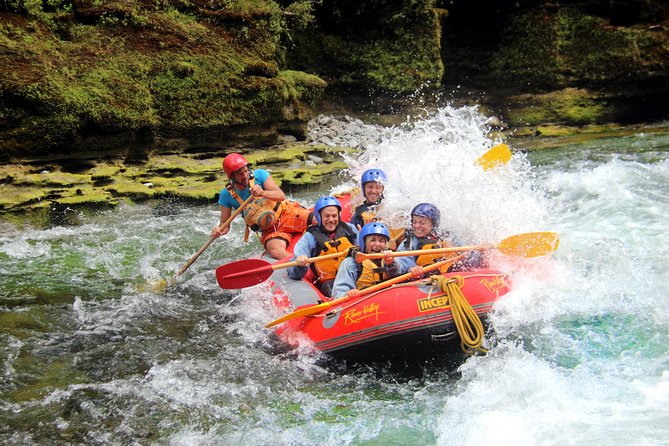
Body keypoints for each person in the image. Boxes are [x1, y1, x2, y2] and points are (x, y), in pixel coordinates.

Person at [211, 153, 315, 260]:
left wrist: (263, 193)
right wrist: (219, 230)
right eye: (240, 174)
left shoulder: (260, 175)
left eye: (246, 171)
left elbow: (280, 195)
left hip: (286, 214)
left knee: (317, 220)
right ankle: (302, 263)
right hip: (269, 229)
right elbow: (225, 223)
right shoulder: (226, 195)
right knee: (275, 251)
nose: (245, 176)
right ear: (232, 177)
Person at [287, 196, 358, 297]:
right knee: (329, 288)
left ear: (339, 215)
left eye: (334, 216)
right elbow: (292, 271)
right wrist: (299, 264)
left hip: (353, 275)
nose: (331, 219)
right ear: (319, 216)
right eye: (327, 216)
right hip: (330, 282)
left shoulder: (350, 229)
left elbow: (364, 250)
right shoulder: (310, 237)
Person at [331, 222, 423, 299]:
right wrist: (347, 295)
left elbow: (404, 270)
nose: (377, 244)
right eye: (372, 240)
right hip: (365, 305)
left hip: (391, 300)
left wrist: (413, 270)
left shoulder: (392, 258)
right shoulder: (351, 263)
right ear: (364, 243)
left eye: (382, 241)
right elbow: (339, 291)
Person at [397, 203, 486, 274]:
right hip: (426, 277)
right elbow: (401, 262)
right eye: (414, 222)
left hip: (451, 272)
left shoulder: (446, 236)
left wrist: (480, 250)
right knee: (430, 272)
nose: (417, 226)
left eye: (422, 223)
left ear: (432, 225)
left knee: (475, 258)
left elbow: (465, 251)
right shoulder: (410, 242)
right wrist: (411, 269)